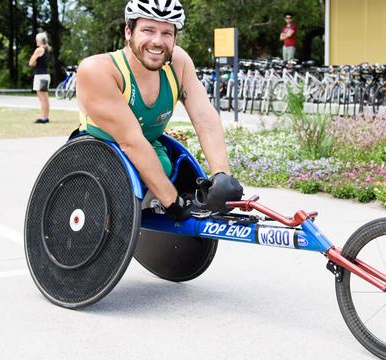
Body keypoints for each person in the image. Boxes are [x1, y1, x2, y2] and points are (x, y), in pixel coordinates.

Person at [76, 0, 243, 219]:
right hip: (98, 160)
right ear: (129, 32)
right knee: (142, 174)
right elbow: (130, 141)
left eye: (166, 33)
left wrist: (221, 175)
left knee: (166, 167)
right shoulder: (98, 69)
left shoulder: (179, 63)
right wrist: (173, 202)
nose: (157, 41)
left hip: (150, 150)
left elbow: (205, 118)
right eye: (148, 30)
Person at [29, 32, 51, 124]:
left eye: (37, 40)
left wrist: (34, 62)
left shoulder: (39, 50)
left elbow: (31, 62)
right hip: (45, 75)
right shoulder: (46, 50)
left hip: (40, 76)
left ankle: (42, 117)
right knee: (45, 98)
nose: (36, 41)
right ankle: (46, 117)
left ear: (40, 40)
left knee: (42, 98)